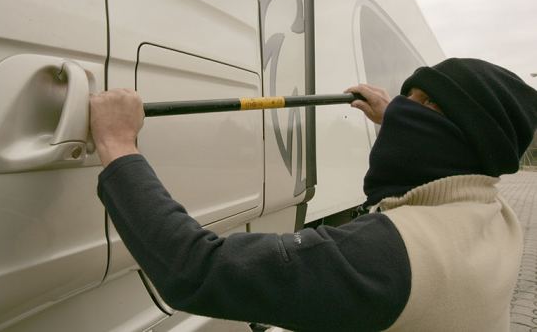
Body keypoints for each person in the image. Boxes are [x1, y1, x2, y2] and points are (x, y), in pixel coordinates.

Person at [91, 58, 537, 331]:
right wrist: (395, 116)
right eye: (408, 97)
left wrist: (118, 145)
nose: (403, 111)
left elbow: (196, 270)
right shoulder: (494, 214)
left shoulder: (385, 255)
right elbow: (446, 153)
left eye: (424, 106)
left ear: (456, 138)